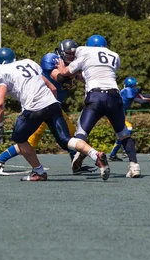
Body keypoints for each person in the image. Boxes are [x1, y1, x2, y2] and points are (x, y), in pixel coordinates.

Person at [0, 48, 108, 181]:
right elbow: (53, 88)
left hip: (34, 107)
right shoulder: (29, 63)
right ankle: (96, 155)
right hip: (52, 104)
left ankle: (38, 171)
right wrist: (49, 107)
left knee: (19, 138)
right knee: (66, 140)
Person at [56, 35, 140, 179]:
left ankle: (79, 153)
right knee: (123, 133)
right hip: (114, 96)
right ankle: (135, 166)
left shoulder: (84, 51)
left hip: (95, 96)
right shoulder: (114, 55)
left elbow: (66, 73)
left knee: (82, 130)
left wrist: (62, 68)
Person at [108, 77, 150, 161]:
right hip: (114, 115)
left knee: (122, 135)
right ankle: (125, 150)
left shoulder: (127, 90)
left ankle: (113, 155)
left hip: (115, 115)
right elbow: (140, 101)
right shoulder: (128, 91)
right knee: (128, 129)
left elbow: (141, 96)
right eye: (134, 86)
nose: (136, 88)